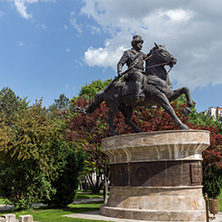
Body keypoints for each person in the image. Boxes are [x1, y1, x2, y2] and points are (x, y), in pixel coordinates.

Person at [117, 35, 147, 101]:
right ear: (135, 44)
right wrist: (119, 71)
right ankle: (137, 95)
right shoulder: (128, 53)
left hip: (141, 71)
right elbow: (120, 63)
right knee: (139, 76)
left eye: (142, 44)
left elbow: (150, 58)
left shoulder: (143, 54)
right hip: (131, 72)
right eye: (139, 43)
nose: (141, 45)